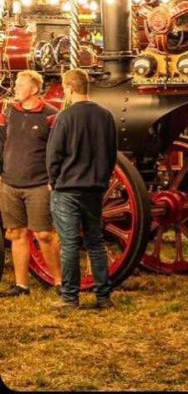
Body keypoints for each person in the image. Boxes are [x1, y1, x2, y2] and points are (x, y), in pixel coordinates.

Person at [45, 68, 117, 310]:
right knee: (95, 242)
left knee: (70, 244)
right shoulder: (105, 116)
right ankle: (103, 296)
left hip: (68, 188)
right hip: (94, 188)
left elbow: (54, 154)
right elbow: (111, 153)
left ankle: (70, 297)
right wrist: (102, 179)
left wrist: (53, 180)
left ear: (70, 88)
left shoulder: (65, 117)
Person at [0, 71, 60, 297]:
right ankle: (21, 285)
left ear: (34, 89)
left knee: (44, 234)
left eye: (20, 84)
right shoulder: (7, 113)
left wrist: (53, 179)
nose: (15, 87)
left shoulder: (51, 115)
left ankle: (59, 282)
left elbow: (57, 151)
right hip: (10, 183)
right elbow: (0, 143)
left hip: (38, 185)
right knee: (17, 234)